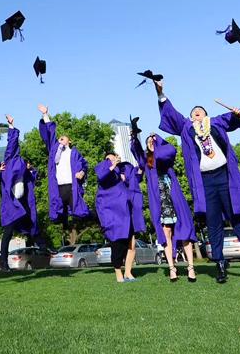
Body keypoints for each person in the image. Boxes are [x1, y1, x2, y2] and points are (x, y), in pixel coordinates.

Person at [154, 79, 240, 283]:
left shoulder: (217, 122)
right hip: (205, 182)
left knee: (237, 219)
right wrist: (160, 93)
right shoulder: (186, 128)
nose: (196, 112)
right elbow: (170, 113)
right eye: (193, 111)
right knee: (213, 224)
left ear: (206, 114)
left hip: (224, 177)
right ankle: (220, 264)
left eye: (200, 111)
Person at [131, 133, 198, 282]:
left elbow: (169, 149)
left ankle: (191, 267)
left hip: (174, 197)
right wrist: (134, 136)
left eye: (153, 141)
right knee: (166, 232)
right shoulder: (146, 161)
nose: (151, 142)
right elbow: (136, 151)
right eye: (148, 141)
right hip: (159, 201)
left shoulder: (166, 157)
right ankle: (172, 268)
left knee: (185, 231)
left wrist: (158, 139)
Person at [37, 104, 90, 240]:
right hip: (58, 187)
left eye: (63, 138)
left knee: (81, 213)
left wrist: (82, 173)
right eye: (59, 138)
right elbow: (50, 132)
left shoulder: (74, 153)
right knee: (58, 215)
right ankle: (65, 232)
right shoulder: (54, 150)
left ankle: (97, 218)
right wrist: (45, 115)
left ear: (69, 141)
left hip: (71, 186)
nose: (60, 139)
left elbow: (84, 165)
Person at [0, 115, 42, 272]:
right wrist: (11, 127)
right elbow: (12, 145)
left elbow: (33, 179)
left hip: (21, 206)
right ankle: (3, 262)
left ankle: (42, 246)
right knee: (8, 232)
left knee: (32, 224)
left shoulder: (24, 168)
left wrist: (31, 170)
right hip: (11, 206)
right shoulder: (10, 161)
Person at [95, 153, 143, 282]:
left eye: (115, 157)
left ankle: (128, 272)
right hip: (113, 213)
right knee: (118, 243)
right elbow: (101, 176)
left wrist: (140, 168)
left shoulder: (121, 171)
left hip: (126, 211)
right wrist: (113, 165)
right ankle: (118, 273)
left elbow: (135, 180)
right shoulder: (103, 168)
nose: (114, 159)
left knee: (131, 243)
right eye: (110, 158)